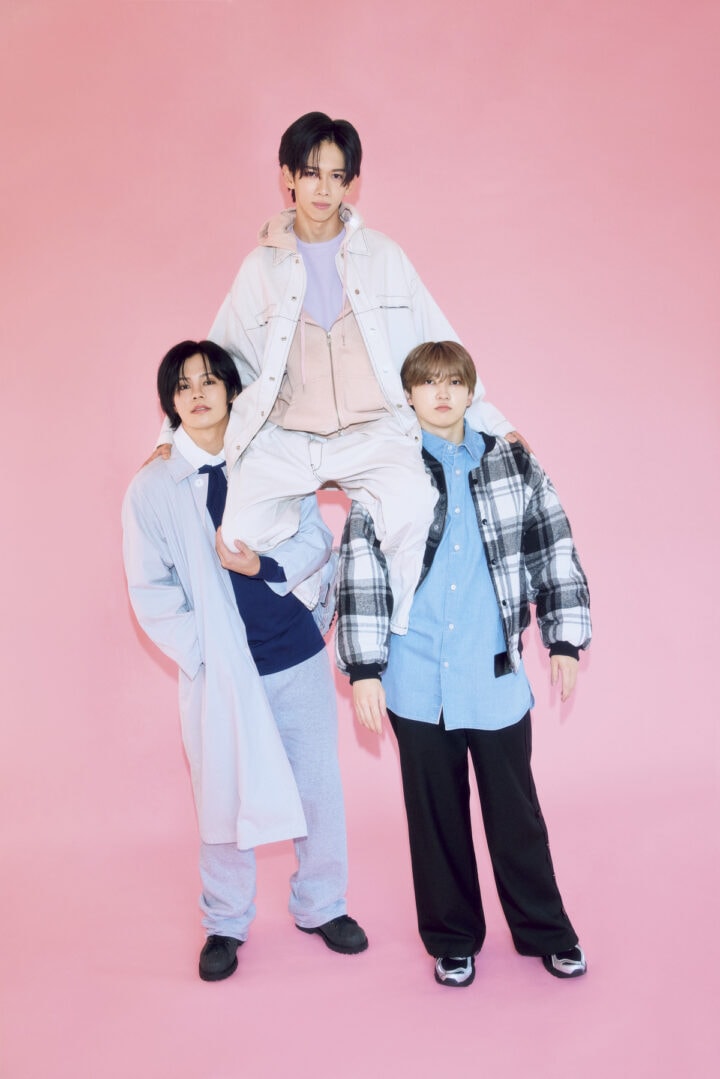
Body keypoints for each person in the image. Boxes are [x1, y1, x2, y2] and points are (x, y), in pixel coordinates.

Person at [202, 110, 523, 635]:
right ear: (287, 176)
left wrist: (493, 423)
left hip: (373, 432)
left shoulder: (385, 257)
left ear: (351, 181)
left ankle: (386, 633)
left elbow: (437, 339)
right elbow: (220, 359)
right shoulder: (258, 269)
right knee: (235, 539)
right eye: (311, 173)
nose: (323, 189)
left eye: (336, 176)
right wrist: (173, 438)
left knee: (418, 513)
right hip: (287, 436)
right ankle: (318, 584)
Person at [335, 341, 591, 987]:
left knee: (516, 815)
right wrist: (364, 668)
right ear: (410, 395)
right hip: (415, 677)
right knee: (435, 820)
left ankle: (546, 932)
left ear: (472, 391)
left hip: (493, 673)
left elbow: (552, 545)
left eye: (454, 381)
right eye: (429, 382)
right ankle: (452, 939)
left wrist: (564, 640)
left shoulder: (513, 460)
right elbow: (361, 567)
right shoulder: (386, 472)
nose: (442, 392)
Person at [123, 340, 367, 983]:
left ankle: (322, 905)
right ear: (170, 403)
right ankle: (225, 921)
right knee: (221, 793)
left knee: (317, 785)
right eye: (183, 386)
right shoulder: (152, 487)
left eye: (209, 381)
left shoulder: (272, 460)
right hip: (220, 672)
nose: (197, 394)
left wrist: (265, 566)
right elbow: (150, 590)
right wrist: (203, 654)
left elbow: (316, 536)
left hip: (293, 651)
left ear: (232, 391)